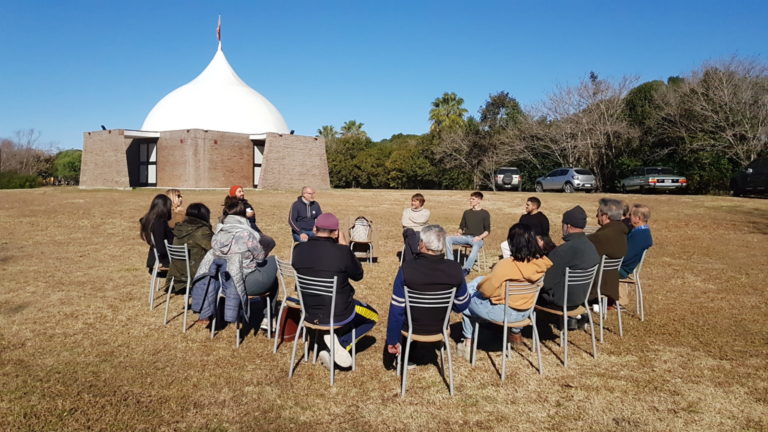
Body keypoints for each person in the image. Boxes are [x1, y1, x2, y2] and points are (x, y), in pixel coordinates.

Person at [291, 213, 378, 370]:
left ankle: (329, 337)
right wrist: (345, 247)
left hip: (308, 309)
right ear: (336, 232)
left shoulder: (298, 250)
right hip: (337, 312)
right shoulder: (342, 252)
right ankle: (342, 344)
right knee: (373, 317)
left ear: (314, 228)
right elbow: (358, 276)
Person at [458, 223, 553, 358]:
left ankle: (468, 342)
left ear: (511, 242)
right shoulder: (541, 264)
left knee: (466, 301)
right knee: (478, 281)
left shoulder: (506, 265)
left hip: (503, 313)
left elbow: (486, 291)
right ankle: (514, 333)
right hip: (526, 312)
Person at [386, 225, 469, 360]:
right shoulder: (455, 269)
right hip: (440, 326)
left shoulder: (407, 269)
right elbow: (461, 305)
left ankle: (408, 358)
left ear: (422, 244)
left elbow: (396, 309)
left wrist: (392, 339)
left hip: (411, 326)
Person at [192, 198, 278, 325]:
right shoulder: (246, 234)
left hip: (223, 282)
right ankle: (268, 316)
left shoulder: (218, 233)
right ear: (243, 215)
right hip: (244, 281)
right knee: (273, 268)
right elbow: (260, 256)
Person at [537, 206, 600, 316]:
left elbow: (546, 283)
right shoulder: (592, 247)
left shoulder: (562, 251)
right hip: (582, 298)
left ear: (568, 226)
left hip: (560, 300)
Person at [587, 198, 628, 304]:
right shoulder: (620, 231)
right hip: (611, 284)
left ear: (605, 216)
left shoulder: (603, 236)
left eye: (598, 213)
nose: (597, 216)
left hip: (596, 286)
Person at [167, 203, 213, 291]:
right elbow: (215, 248)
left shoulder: (180, 228)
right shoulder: (201, 231)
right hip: (194, 274)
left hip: (177, 274)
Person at [445, 191, 491, 275]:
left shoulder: (485, 213)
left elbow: (487, 231)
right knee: (448, 238)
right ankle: (450, 263)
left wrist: (479, 237)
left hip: (477, 238)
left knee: (476, 245)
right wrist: (459, 232)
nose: (470, 201)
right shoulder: (466, 213)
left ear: (479, 200)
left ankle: (466, 268)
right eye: (470, 199)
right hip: (465, 237)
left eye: (473, 199)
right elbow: (461, 227)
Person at [228, 185, 276, 256]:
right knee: (266, 242)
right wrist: (245, 215)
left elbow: (253, 220)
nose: (242, 193)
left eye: (242, 191)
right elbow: (231, 219)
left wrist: (252, 215)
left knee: (270, 242)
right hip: (240, 232)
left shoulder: (247, 204)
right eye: (239, 191)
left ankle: (257, 259)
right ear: (233, 194)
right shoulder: (230, 206)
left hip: (253, 230)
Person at [140, 194, 174, 274]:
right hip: (165, 260)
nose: (171, 209)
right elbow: (161, 247)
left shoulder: (149, 221)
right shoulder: (160, 223)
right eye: (169, 207)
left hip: (155, 258)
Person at [619, 204, 653, 280]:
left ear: (638, 218)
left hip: (621, 269)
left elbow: (625, 256)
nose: (628, 217)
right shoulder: (642, 231)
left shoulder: (640, 235)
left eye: (630, 215)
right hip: (621, 267)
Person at [401, 193, 431, 264]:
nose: (412, 203)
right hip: (408, 231)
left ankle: (409, 264)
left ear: (420, 202)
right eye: (412, 201)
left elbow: (422, 220)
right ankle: (416, 252)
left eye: (414, 201)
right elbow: (404, 223)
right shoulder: (406, 211)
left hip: (420, 233)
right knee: (410, 231)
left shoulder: (426, 212)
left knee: (411, 239)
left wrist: (410, 219)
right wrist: (418, 224)